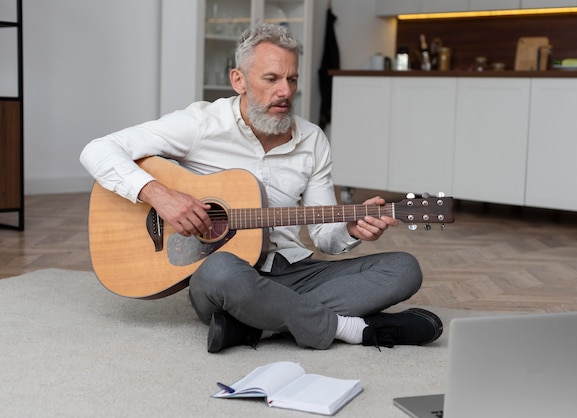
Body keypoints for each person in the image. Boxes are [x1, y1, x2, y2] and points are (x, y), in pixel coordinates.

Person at [80, 23, 442, 353]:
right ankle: (352, 329)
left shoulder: (312, 140)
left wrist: (350, 229)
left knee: (404, 269)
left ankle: (257, 325)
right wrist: (161, 195)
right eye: (271, 79)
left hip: (292, 272)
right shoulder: (201, 123)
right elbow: (97, 150)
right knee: (222, 270)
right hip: (224, 276)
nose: (285, 92)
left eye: (292, 80)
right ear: (238, 80)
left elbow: (325, 238)